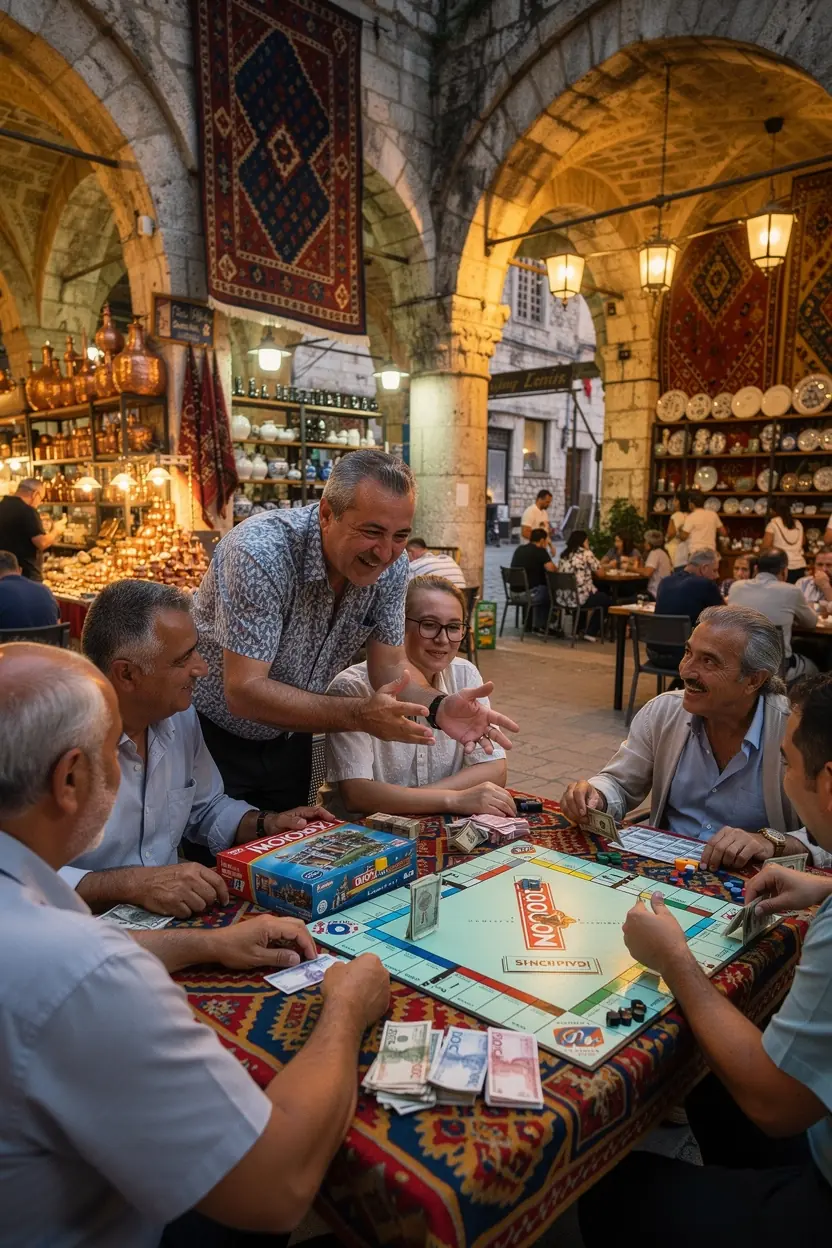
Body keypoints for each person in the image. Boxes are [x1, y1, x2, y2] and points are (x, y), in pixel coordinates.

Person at [0, 641, 391, 1246]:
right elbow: (274, 1187)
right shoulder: (82, 969)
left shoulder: (50, 935)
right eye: (112, 753)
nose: (203, 670)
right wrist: (346, 1008)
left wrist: (204, 944)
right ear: (71, 778)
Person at [579, 673, 832, 1248]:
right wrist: (820, 888)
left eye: (789, 763)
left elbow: (774, 1104)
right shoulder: (667, 713)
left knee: (609, 1189)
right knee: (712, 1082)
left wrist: (675, 959)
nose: (784, 774)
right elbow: (619, 780)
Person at [192, 451, 517, 810]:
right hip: (211, 739)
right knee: (212, 859)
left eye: (400, 536)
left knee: (282, 856)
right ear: (327, 514)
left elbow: (390, 669)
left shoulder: (392, 568)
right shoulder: (260, 552)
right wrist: (359, 714)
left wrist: (438, 707)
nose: (385, 552)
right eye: (372, 532)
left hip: (290, 738)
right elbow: (245, 692)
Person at [59, 579, 330, 916]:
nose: (202, 668)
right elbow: (16, 878)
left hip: (165, 922)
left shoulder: (180, 717)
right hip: (77, 935)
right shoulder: (53, 744)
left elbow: (206, 809)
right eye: (183, 659)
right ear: (127, 674)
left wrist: (266, 824)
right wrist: (131, 884)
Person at [560, 605, 830, 870]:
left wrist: (772, 842)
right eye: (688, 652)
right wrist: (596, 796)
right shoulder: (664, 712)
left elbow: (826, 832)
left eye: (708, 661)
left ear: (754, 680)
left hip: (753, 886)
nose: (686, 671)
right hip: (666, 870)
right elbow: (619, 782)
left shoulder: (795, 731)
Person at [326, 575, 513, 817]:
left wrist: (418, 800)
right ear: (398, 627)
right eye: (429, 624)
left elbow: (495, 769)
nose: (443, 639)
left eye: (454, 627)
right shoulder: (354, 688)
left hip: (439, 828)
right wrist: (453, 799)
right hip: (364, 834)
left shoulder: (464, 675)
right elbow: (358, 795)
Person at [728, 548, 819, 682]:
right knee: (816, 668)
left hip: (739, 665)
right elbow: (811, 623)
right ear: (784, 570)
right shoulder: (791, 591)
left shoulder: (735, 587)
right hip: (776, 668)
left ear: (756, 568)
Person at [650, 548, 724, 669]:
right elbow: (724, 614)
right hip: (685, 657)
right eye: (715, 570)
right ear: (704, 568)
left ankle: (677, 686)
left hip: (654, 652)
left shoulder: (665, 581)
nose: (717, 575)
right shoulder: (705, 584)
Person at [0, 478, 66, 581]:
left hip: (3, 571)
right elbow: (41, 543)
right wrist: (56, 531)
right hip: (26, 574)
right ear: (35, 494)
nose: (39, 503)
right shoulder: (28, 511)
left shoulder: (2, 506)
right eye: (41, 498)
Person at [557, 528, 611, 640]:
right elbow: (601, 574)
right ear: (583, 541)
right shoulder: (586, 554)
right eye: (587, 540)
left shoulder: (564, 554)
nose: (588, 543)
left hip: (563, 598)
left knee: (583, 592)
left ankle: (578, 630)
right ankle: (591, 632)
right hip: (579, 599)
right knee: (605, 599)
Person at [510, 526, 556, 632]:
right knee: (549, 593)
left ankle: (531, 624)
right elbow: (552, 569)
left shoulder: (519, 549)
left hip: (513, 594)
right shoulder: (541, 551)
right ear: (542, 540)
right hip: (529, 595)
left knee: (539, 588)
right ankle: (542, 625)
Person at [0, 549, 60, 628]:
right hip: (47, 640)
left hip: (10, 640)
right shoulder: (45, 590)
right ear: (20, 570)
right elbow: (58, 624)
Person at [761, 499, 806, 583]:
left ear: (773, 511)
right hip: (800, 565)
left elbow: (765, 547)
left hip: (782, 568)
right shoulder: (798, 523)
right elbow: (803, 542)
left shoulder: (773, 524)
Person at [678, 490, 727, 555]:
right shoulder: (713, 514)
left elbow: (683, 537)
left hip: (696, 553)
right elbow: (723, 533)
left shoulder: (691, 517)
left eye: (689, 502)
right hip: (711, 553)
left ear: (691, 504)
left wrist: (680, 530)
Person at [643, 529, 672, 598]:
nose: (644, 544)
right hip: (663, 592)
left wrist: (630, 568)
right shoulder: (663, 553)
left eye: (645, 541)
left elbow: (647, 573)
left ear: (650, 543)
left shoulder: (654, 553)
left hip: (654, 592)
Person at [666, 489, 690, 569]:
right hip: (685, 550)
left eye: (675, 500)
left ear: (679, 502)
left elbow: (671, 533)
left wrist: (666, 540)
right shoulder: (689, 515)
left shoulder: (675, 515)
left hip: (673, 548)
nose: (673, 502)